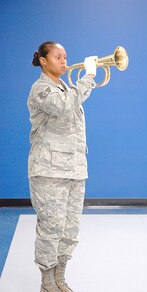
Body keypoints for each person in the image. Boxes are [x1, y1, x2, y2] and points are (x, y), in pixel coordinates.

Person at [27, 41, 97, 292]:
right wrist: (88, 77)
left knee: (69, 229)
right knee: (51, 228)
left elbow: (71, 102)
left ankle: (60, 277)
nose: (65, 61)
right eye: (58, 57)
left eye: (66, 57)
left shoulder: (65, 86)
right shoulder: (41, 89)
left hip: (74, 169)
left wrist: (83, 83)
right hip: (49, 171)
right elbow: (62, 106)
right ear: (43, 61)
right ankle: (47, 282)